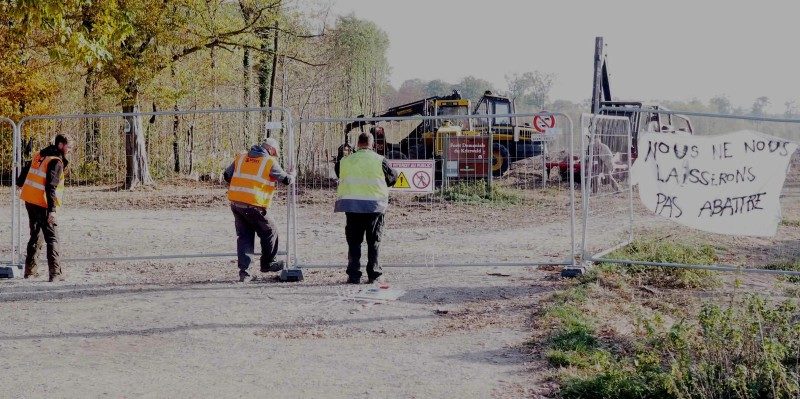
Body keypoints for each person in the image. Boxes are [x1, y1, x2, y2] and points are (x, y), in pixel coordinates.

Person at [223, 137, 294, 282]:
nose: (274, 156)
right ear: (271, 149)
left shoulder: (241, 157)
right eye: (275, 153)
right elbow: (286, 180)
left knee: (244, 237)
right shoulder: (269, 162)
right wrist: (293, 174)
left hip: (236, 203)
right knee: (270, 231)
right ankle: (268, 263)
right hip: (254, 204)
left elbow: (226, 175)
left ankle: (245, 274)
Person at [335, 131, 398, 284]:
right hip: (374, 206)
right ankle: (374, 275)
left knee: (354, 242)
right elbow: (392, 178)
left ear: (358, 144)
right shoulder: (380, 160)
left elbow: (338, 172)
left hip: (352, 206)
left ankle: (354, 275)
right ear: (373, 144)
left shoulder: (346, 160)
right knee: (374, 241)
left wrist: (341, 154)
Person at [18, 134, 72, 281]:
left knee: (36, 234)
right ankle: (55, 274)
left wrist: (19, 183)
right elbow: (50, 187)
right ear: (61, 145)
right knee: (52, 237)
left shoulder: (40, 155)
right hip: (43, 202)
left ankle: (30, 271)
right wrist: (52, 211)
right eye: (69, 145)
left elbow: (26, 168)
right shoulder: (56, 161)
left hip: (30, 199)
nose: (70, 149)